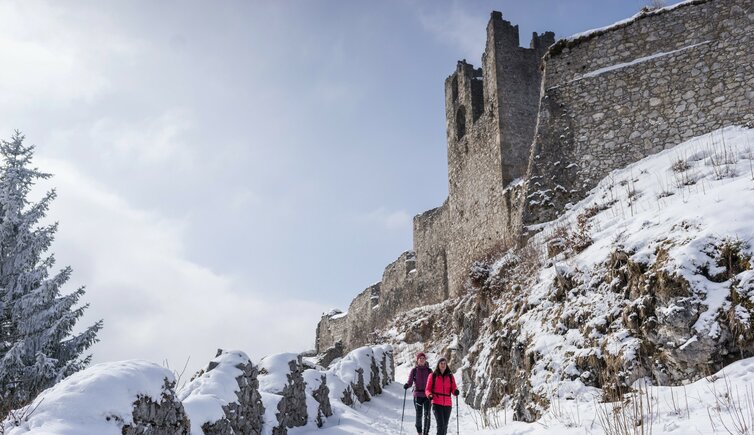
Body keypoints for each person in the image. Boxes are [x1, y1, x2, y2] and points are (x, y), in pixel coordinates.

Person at [425, 358, 459, 435]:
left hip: (448, 404)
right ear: (438, 365)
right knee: (441, 425)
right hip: (436, 403)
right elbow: (427, 389)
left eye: (444, 363)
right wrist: (429, 395)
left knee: (445, 426)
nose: (443, 365)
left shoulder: (450, 376)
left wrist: (455, 391)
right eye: (441, 363)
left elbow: (453, 388)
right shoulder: (432, 375)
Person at [404, 352, 432, 435]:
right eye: (420, 358)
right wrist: (407, 385)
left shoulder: (429, 371)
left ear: (425, 360)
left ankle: (426, 433)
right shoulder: (414, 370)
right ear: (417, 360)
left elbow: (433, 382)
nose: (422, 360)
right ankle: (419, 432)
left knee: (427, 415)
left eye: (423, 358)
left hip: (427, 396)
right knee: (419, 415)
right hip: (418, 395)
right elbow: (410, 381)